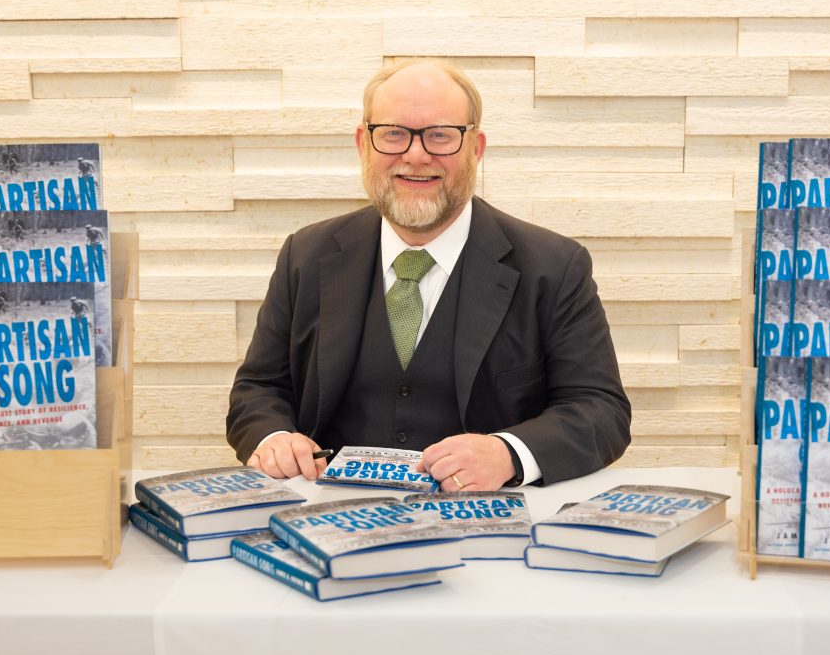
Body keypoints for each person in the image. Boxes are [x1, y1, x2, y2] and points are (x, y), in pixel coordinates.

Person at [227, 60, 631, 492]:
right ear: (364, 144)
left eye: (440, 135)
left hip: (485, 528)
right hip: (330, 520)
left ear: (475, 148)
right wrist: (273, 438)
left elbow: (600, 410)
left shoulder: (554, 265)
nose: (416, 155)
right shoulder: (305, 254)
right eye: (394, 133)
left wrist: (509, 453)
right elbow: (258, 390)